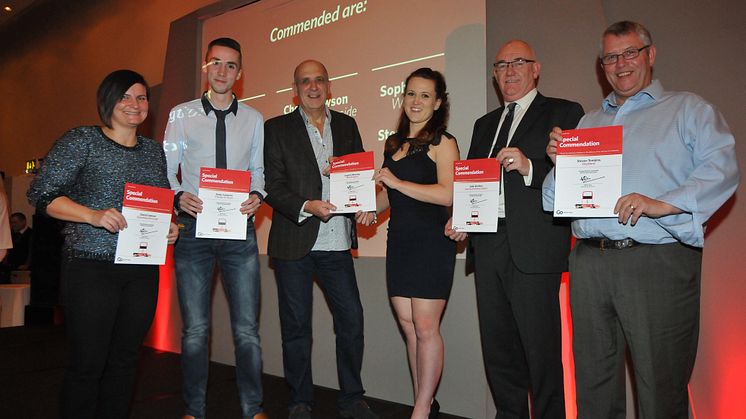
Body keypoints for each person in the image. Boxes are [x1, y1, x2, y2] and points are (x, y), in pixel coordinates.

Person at [542, 21, 739, 418]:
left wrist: (662, 203)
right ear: (602, 66)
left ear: (650, 54)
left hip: (656, 260)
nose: (620, 63)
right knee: (593, 385)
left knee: (660, 387)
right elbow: (552, 201)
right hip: (589, 261)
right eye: (610, 57)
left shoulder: (688, 109)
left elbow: (723, 170)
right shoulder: (588, 123)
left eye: (630, 52)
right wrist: (558, 164)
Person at [26, 69, 179, 419]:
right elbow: (41, 195)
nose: (134, 104)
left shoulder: (153, 152)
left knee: (126, 361)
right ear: (107, 101)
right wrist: (93, 215)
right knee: (87, 364)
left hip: (141, 269)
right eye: (125, 96)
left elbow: (157, 204)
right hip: (90, 266)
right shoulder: (82, 140)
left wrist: (170, 228)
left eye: (141, 97)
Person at [446, 40, 584, 418]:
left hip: (533, 246)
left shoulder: (564, 111)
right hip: (488, 244)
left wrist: (529, 168)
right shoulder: (484, 124)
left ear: (536, 68)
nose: (508, 71)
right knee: (499, 350)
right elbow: (476, 184)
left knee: (540, 352)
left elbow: (578, 178)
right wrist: (462, 217)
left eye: (518, 62)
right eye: (501, 65)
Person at [264, 59, 378, 419]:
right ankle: (300, 400)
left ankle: (351, 398)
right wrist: (306, 205)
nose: (313, 87)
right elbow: (271, 185)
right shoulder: (276, 128)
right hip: (294, 242)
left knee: (352, 320)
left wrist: (364, 206)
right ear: (294, 90)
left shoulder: (347, 124)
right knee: (296, 327)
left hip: (337, 243)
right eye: (304, 82)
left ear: (329, 86)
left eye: (319, 81)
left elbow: (357, 178)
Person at [163, 37, 267, 419]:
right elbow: (165, 169)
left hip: (240, 231)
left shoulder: (254, 119)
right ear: (206, 67)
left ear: (239, 73)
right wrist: (176, 197)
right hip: (192, 233)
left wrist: (257, 194)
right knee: (195, 332)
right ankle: (194, 410)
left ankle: (253, 408)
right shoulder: (180, 115)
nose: (223, 71)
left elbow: (258, 172)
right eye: (216, 64)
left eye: (231, 65)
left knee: (246, 331)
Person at [364, 67, 459, 419]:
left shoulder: (443, 142)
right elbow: (389, 196)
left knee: (424, 326)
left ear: (437, 103)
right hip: (400, 241)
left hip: (432, 244)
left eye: (424, 95)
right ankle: (424, 400)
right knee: (408, 327)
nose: (415, 102)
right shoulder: (395, 144)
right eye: (410, 94)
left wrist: (397, 184)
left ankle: (420, 410)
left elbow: (448, 193)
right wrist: (368, 210)